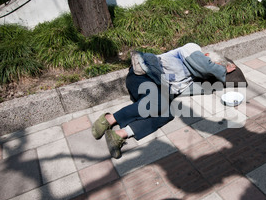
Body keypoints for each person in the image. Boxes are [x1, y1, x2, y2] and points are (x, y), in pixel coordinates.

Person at [91, 43, 237, 159]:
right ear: (207, 56)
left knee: (167, 112)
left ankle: (119, 134)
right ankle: (109, 119)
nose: (210, 73)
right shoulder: (191, 48)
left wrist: (225, 78)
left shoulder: (192, 80)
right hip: (142, 76)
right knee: (159, 102)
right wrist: (222, 70)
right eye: (213, 68)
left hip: (153, 95)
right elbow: (203, 64)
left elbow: (208, 87)